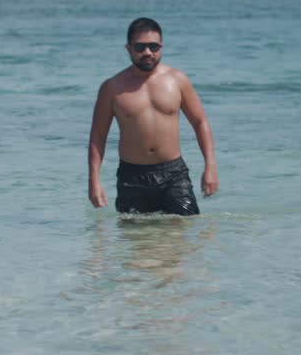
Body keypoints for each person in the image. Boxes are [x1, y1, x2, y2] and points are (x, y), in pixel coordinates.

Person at [88, 18, 218, 215]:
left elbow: (200, 122)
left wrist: (210, 166)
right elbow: (98, 136)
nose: (147, 52)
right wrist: (94, 181)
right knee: (137, 241)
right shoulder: (112, 88)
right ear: (129, 48)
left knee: (185, 235)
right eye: (140, 47)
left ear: (161, 47)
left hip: (174, 175)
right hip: (131, 177)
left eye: (154, 46)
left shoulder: (177, 80)